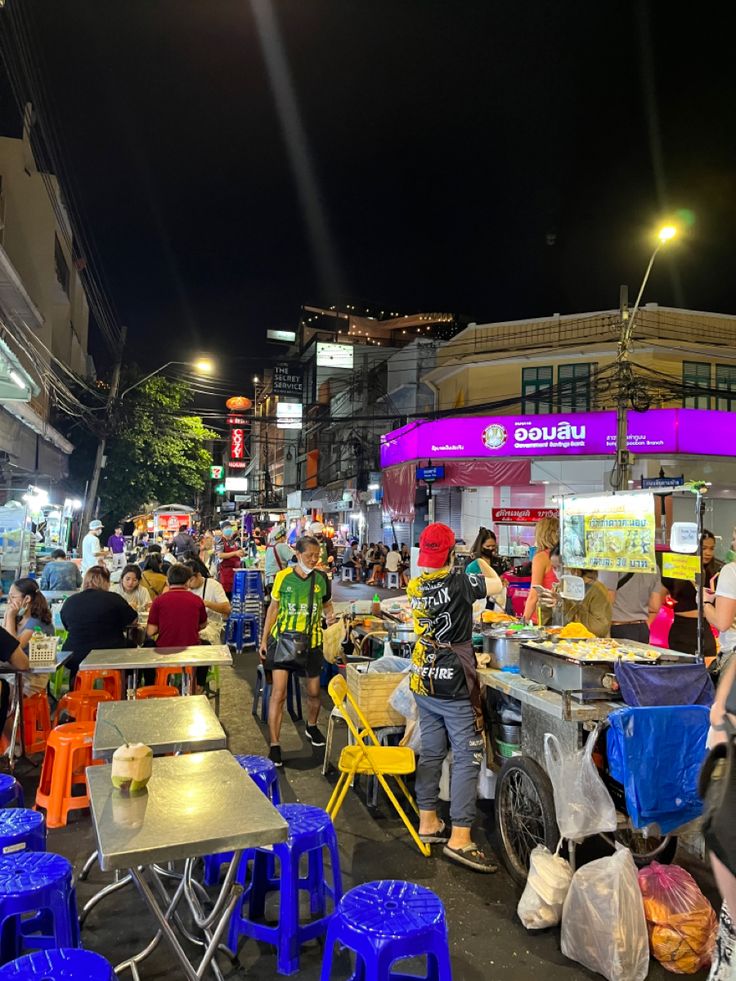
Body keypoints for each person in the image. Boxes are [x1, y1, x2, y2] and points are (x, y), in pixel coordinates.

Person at [408, 522, 504, 872]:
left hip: (423, 678)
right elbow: (497, 585)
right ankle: (460, 837)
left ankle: (429, 821)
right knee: (467, 755)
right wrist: (475, 560)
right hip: (452, 683)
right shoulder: (460, 581)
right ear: (452, 553)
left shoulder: (415, 583)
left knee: (432, 750)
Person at [259, 535, 335, 768]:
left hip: (311, 644)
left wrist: (331, 619)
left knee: (314, 693)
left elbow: (326, 604)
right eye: (310, 555)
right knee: (278, 694)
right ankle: (274, 745)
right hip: (283, 642)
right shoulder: (283, 578)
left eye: (317, 555)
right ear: (298, 555)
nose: (314, 559)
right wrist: (264, 640)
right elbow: (273, 609)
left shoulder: (321, 579)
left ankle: (311, 726)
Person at [60, 566, 138, 684]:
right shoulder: (114, 599)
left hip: (76, 656)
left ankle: (76, 688)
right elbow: (133, 620)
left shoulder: (70, 601)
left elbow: (66, 626)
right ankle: (124, 687)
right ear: (106, 582)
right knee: (132, 646)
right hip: (110, 655)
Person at [147, 564, 208, 689]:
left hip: (164, 652)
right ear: (187, 582)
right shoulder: (197, 600)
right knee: (207, 645)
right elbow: (203, 624)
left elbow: (151, 631)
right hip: (191, 651)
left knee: (147, 646)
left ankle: (151, 684)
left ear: (168, 581)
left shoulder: (159, 601)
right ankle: (199, 684)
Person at [661, 529, 721, 658]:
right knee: (683, 673)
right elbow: (656, 601)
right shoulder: (676, 570)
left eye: (711, 549)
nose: (708, 553)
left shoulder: (715, 572)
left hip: (706, 630)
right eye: (704, 548)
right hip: (682, 630)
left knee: (709, 673)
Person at [598, 569, 663, 642]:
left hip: (617, 628)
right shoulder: (653, 566)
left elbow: (608, 599)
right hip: (642, 629)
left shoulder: (613, 563)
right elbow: (654, 606)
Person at [523, 517, 560, 624]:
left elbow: (534, 595)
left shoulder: (541, 557)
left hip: (543, 618)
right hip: (562, 616)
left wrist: (522, 623)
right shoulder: (563, 555)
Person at [559, 569, 612, 637]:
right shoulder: (566, 585)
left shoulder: (598, 590)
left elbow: (599, 628)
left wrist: (578, 610)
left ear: (577, 571)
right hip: (567, 639)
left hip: (590, 642)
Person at [217, 522, 245, 598]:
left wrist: (242, 552)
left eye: (229, 527)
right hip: (226, 574)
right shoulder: (220, 542)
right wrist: (235, 553)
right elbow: (220, 555)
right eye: (226, 528)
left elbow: (240, 551)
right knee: (227, 596)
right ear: (222, 530)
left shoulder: (235, 541)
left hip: (236, 573)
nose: (229, 529)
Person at [265, 525, 294, 589]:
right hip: (277, 579)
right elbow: (294, 558)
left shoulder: (269, 546)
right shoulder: (282, 546)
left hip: (268, 580)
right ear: (280, 537)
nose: (286, 537)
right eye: (284, 536)